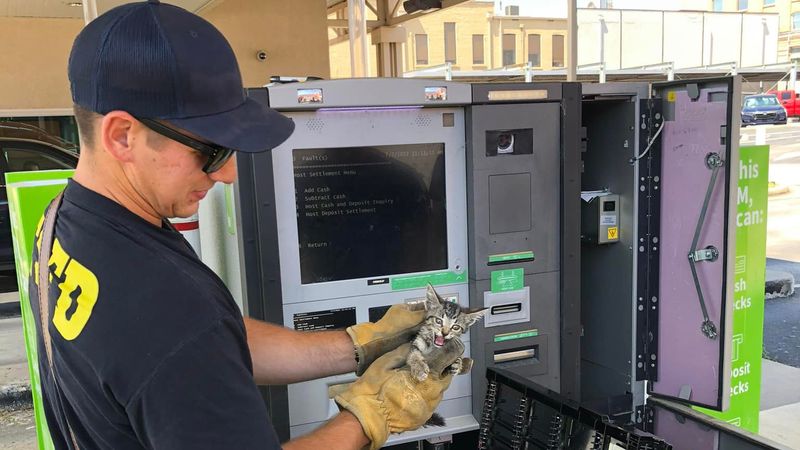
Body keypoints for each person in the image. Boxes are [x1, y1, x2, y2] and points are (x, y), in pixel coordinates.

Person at [29, 1, 458, 449]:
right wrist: (373, 414)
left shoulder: (66, 218)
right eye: (211, 151)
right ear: (122, 135)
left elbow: (214, 344)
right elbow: (187, 337)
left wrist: (360, 344)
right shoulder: (165, 309)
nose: (227, 173)